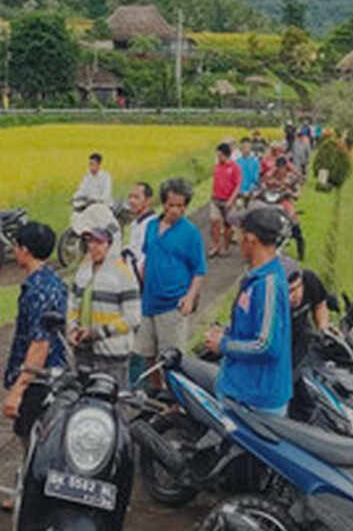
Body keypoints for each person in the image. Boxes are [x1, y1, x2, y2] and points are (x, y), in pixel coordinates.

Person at [203, 208, 292, 415]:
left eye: (240, 233)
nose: (237, 238)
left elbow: (266, 345)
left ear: (251, 239)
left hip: (257, 399)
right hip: (242, 388)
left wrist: (223, 345)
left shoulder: (268, 285)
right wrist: (227, 332)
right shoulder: (257, 277)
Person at [2, 222, 68, 438]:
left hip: (39, 380)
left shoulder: (38, 290)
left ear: (25, 250)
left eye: (16, 246)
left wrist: (18, 389)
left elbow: (40, 344)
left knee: (33, 439)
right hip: (53, 374)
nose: (14, 251)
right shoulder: (53, 280)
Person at [138, 178, 206, 363]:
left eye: (180, 206)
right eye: (171, 205)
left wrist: (190, 298)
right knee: (147, 355)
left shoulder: (190, 233)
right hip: (148, 303)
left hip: (172, 305)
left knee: (170, 359)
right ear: (163, 204)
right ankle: (155, 390)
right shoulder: (151, 227)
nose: (176, 210)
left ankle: (171, 392)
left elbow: (199, 269)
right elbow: (146, 258)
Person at [67, 225, 141, 386]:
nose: (93, 247)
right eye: (90, 242)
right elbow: (72, 303)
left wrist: (97, 332)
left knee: (115, 403)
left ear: (110, 245)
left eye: (99, 242)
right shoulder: (83, 270)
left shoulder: (123, 273)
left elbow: (133, 317)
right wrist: (72, 329)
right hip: (84, 351)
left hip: (112, 354)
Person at [284, 258, 330, 366]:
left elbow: (320, 305)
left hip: (304, 338)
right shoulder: (270, 301)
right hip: (282, 346)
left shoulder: (309, 279)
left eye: (298, 287)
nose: (295, 296)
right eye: (289, 291)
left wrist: (323, 329)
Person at [209, 142, 242, 257]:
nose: (218, 157)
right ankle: (215, 246)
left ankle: (225, 247)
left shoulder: (235, 168)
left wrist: (231, 200)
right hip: (216, 199)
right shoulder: (217, 166)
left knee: (227, 225)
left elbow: (238, 186)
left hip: (228, 200)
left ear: (225, 155)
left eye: (219, 155)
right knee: (214, 222)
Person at [124, 181, 157, 281]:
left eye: (136, 197)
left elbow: (144, 260)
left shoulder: (151, 224)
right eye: (130, 197)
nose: (131, 201)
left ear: (148, 201)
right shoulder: (136, 223)